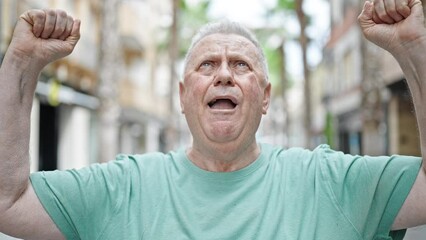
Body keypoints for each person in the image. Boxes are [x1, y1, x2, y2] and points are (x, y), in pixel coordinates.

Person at [0, 0, 425, 239]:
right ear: (183, 97)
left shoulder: (329, 182)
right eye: (207, 66)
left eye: (240, 65)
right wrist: (19, 62)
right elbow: (9, 203)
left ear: (265, 98)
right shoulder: (122, 189)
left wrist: (414, 47)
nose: (223, 73)